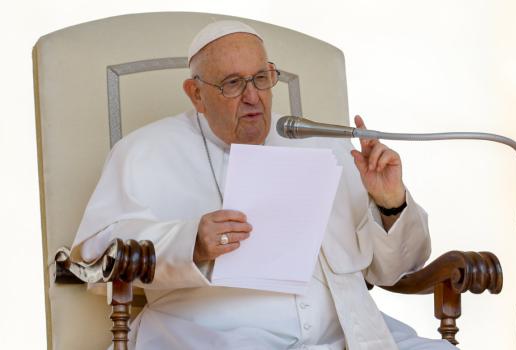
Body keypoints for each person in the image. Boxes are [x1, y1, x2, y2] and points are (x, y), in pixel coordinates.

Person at [71, 20, 456, 350]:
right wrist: (193, 241)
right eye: (233, 84)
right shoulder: (144, 151)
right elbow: (96, 251)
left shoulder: (321, 143)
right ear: (197, 94)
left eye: (261, 78)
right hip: (215, 336)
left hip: (346, 335)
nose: (253, 97)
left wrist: (390, 205)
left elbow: (392, 270)